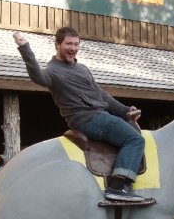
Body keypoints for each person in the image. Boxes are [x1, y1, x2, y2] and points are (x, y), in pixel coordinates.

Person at [13, 27, 149, 203]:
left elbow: (101, 95)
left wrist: (125, 111)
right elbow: (38, 77)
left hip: (100, 115)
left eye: (76, 44)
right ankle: (117, 187)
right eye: (69, 44)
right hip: (87, 119)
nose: (73, 48)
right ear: (58, 44)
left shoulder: (82, 69)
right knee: (135, 140)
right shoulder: (53, 71)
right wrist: (25, 48)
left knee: (130, 130)